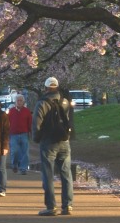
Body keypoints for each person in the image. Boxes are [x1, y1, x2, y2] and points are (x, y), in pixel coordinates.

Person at [33, 77, 75, 216]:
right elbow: (68, 119)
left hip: (48, 142)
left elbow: (37, 123)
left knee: (48, 174)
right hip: (64, 141)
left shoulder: (42, 103)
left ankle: (51, 206)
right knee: (66, 174)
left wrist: (37, 138)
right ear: (57, 87)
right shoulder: (65, 101)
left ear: (45, 88)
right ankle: (67, 205)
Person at [6, 93, 33, 174]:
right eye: (18, 100)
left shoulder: (27, 111)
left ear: (23, 102)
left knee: (25, 152)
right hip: (13, 134)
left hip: (24, 134)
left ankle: (23, 168)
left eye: (21, 100)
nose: (19, 102)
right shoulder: (11, 111)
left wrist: (30, 132)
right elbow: (7, 122)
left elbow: (30, 122)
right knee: (14, 151)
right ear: (15, 102)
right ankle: (14, 164)